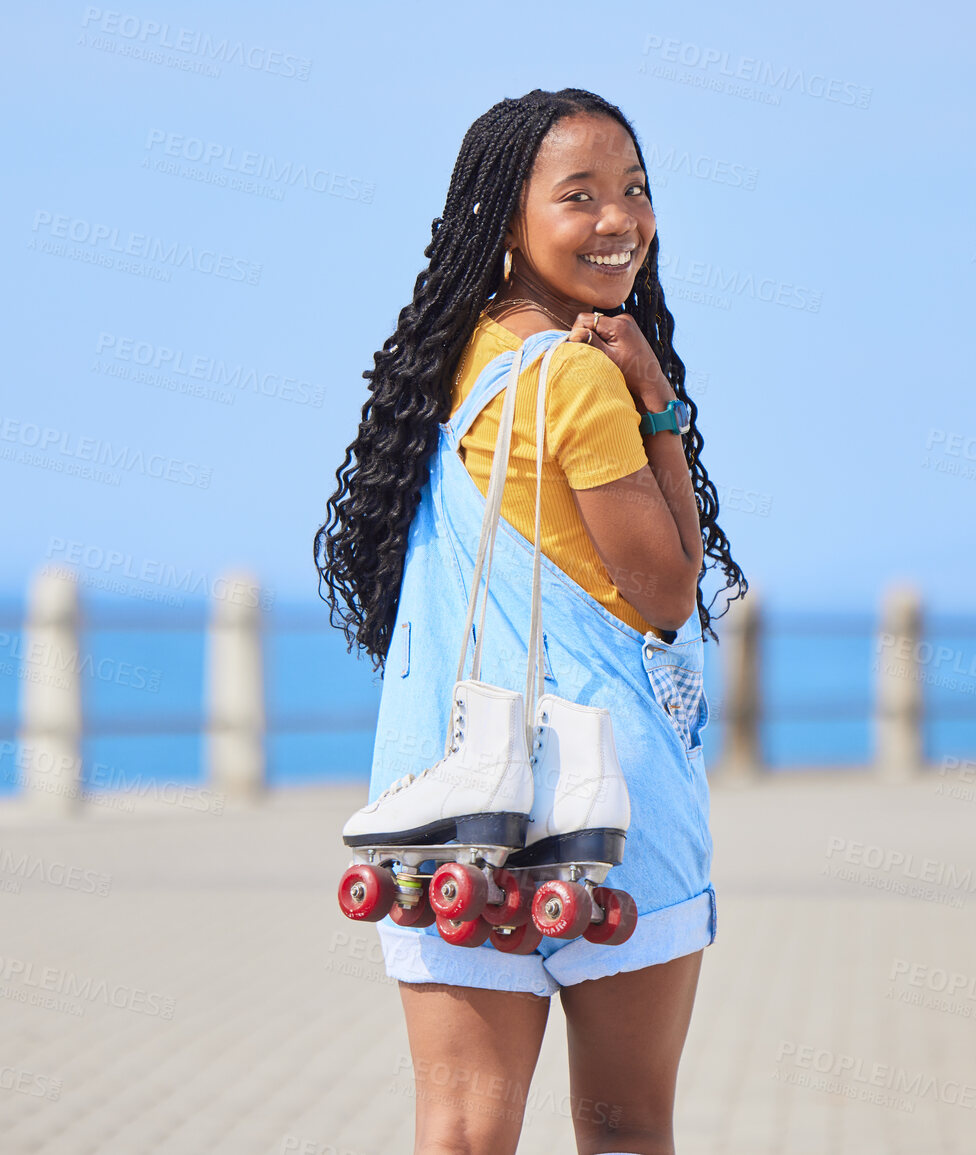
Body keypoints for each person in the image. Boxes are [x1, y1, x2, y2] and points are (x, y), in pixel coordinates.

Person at [314, 87, 747, 1155]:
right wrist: (660, 408)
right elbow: (666, 589)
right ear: (508, 218)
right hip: (611, 807)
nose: (621, 221)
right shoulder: (583, 379)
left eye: (637, 190)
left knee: (458, 1135)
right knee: (625, 1129)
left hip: (455, 803)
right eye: (582, 196)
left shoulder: (448, 362)